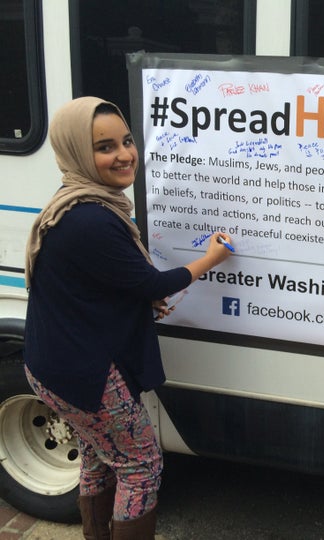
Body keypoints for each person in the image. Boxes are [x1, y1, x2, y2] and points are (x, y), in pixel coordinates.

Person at [23, 96, 233, 539]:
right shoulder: (91, 220)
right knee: (140, 464)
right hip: (86, 375)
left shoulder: (72, 202)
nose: (123, 154)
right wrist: (210, 258)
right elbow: (152, 285)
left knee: (100, 455)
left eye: (127, 140)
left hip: (53, 368)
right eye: (104, 147)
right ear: (78, 152)